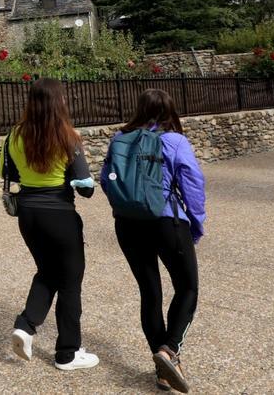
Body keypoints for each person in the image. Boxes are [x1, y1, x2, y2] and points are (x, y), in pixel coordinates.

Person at [101, 89, 205, 393]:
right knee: (187, 287)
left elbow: (107, 179)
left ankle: (163, 370)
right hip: (166, 221)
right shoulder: (174, 141)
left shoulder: (120, 138)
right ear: (170, 111)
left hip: (128, 224)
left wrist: (127, 206)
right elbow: (193, 184)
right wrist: (196, 224)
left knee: (150, 291)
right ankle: (169, 350)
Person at [0, 78, 99, 371]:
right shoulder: (68, 136)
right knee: (70, 281)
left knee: (47, 272)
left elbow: (8, 173)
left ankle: (26, 325)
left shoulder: (14, 135)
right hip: (60, 216)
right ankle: (68, 353)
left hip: (28, 215)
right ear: (59, 102)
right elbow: (86, 188)